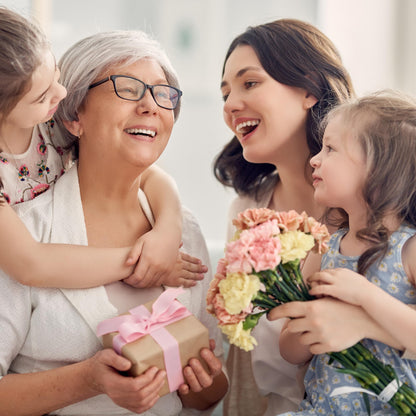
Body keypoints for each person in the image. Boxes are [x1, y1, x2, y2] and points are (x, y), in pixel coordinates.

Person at [0, 29, 228, 415]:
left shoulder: (182, 230)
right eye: (127, 87)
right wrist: (86, 380)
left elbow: (209, 395)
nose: (150, 106)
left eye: (163, 93)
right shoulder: (22, 231)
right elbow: (32, 264)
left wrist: (202, 383)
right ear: (73, 116)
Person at [0, 6, 206, 289]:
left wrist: (167, 231)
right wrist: (145, 263)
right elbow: (32, 264)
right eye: (42, 96)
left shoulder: (48, 126)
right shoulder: (56, 119)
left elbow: (147, 173)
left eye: (56, 78)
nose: (62, 94)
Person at [213, 19, 354, 416]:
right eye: (225, 93)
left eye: (249, 83)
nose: (229, 104)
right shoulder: (246, 212)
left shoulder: (377, 202)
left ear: (309, 88)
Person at [272, 90, 416, 415]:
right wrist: (306, 322)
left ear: (381, 168)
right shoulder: (323, 248)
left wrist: (366, 296)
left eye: (331, 149)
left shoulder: (409, 249)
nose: (315, 158)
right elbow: (289, 351)